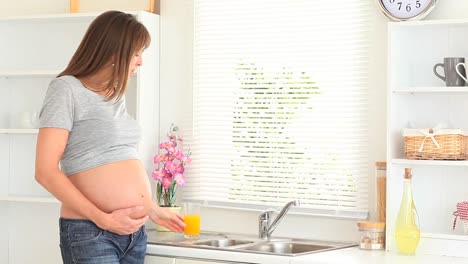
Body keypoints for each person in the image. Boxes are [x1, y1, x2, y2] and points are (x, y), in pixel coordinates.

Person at [35, 10, 185, 264]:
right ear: (115, 51)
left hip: (133, 234)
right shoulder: (66, 90)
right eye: (137, 53)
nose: (140, 62)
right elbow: (45, 172)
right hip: (92, 232)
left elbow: (116, 156)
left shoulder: (114, 95)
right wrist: (102, 218)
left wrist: (151, 208)